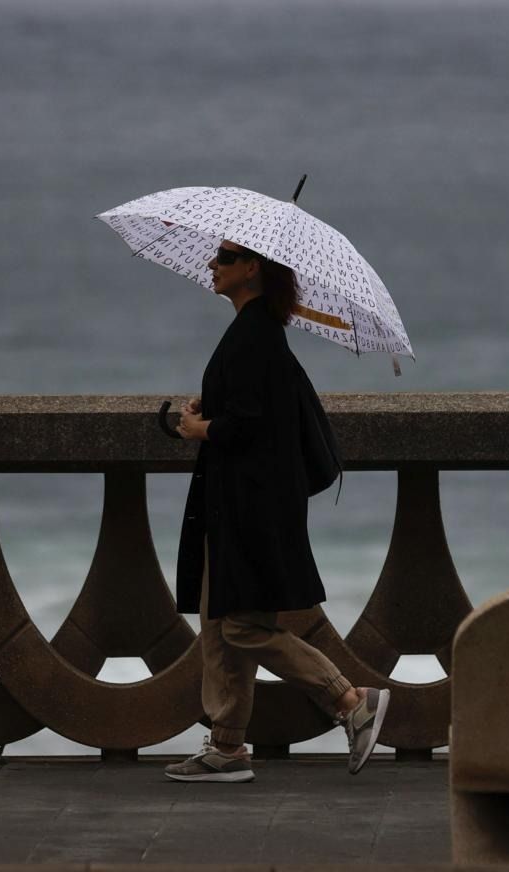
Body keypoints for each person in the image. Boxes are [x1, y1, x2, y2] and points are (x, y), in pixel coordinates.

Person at [163, 239, 389, 784]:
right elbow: (251, 410)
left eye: (222, 259)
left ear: (251, 268)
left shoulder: (255, 336)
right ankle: (227, 747)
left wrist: (200, 428)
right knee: (220, 624)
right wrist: (203, 411)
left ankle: (350, 700)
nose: (211, 266)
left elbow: (247, 427)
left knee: (241, 626)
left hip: (250, 508)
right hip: (236, 503)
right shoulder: (256, 331)